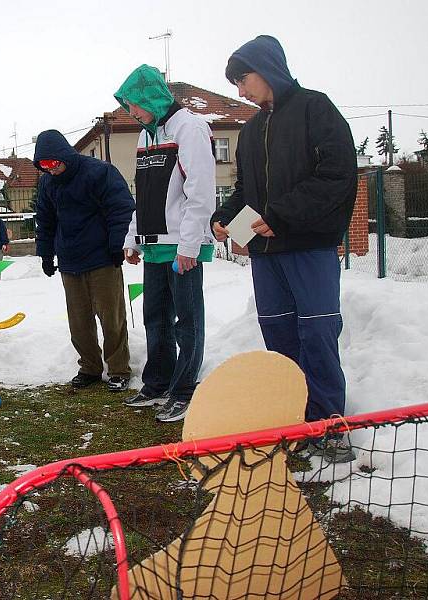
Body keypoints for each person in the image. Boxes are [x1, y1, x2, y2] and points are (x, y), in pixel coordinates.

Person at [210, 36, 357, 462]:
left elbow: (337, 175)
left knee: (317, 334)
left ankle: (330, 425)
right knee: (279, 336)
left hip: (309, 247)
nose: (240, 91)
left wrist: (284, 215)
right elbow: (245, 189)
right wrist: (223, 216)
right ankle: (294, 417)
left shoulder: (316, 108)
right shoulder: (251, 130)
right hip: (266, 255)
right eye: (236, 83)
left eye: (243, 79)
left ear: (267, 68)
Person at [114, 64, 216, 423]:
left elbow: (200, 191)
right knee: (154, 317)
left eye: (135, 105)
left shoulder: (190, 127)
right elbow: (143, 192)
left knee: (186, 320)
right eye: (128, 107)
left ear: (152, 97)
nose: (132, 112)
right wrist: (133, 238)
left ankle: (185, 389)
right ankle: (157, 383)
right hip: (155, 245)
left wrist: (189, 246)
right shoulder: (147, 135)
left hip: (182, 246)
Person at [33, 129, 135, 392]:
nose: (51, 170)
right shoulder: (47, 184)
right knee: (79, 321)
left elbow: (120, 209)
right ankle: (89, 367)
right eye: (44, 166)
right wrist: (46, 253)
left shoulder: (99, 173)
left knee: (111, 317)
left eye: (54, 163)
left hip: (102, 258)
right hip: (70, 261)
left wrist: (116, 246)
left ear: (64, 155)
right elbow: (45, 221)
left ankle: (119, 369)